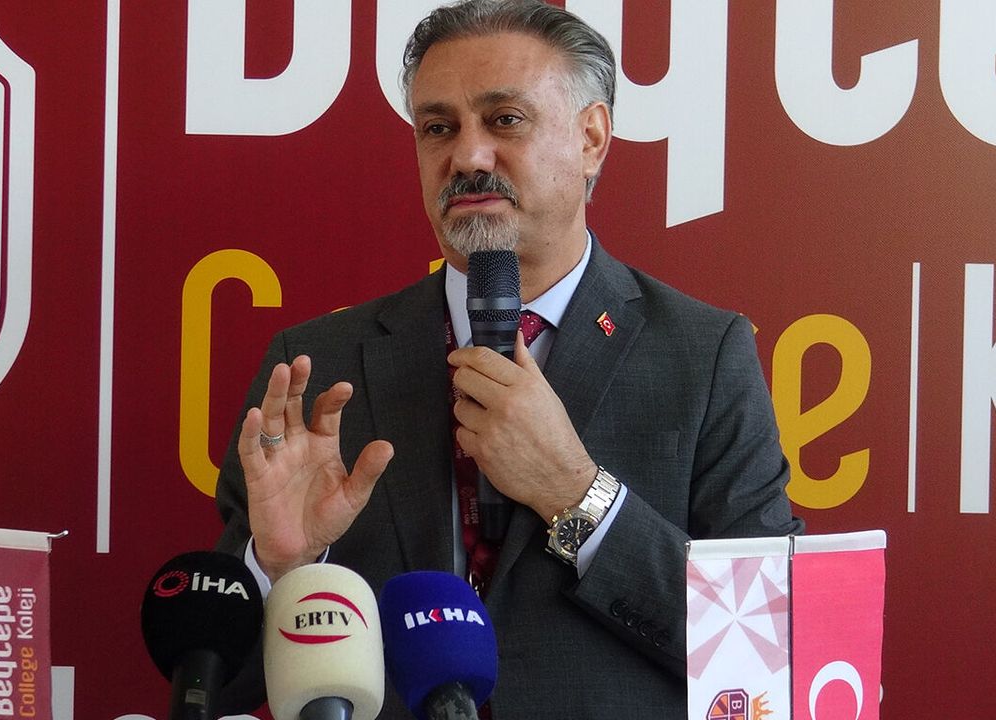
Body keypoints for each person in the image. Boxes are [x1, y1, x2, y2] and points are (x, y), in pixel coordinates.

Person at [215, 1, 803, 716]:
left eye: (505, 120)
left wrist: (576, 495)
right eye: (438, 128)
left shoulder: (704, 356)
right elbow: (222, 682)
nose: (467, 157)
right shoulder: (316, 367)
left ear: (591, 139)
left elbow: (774, 652)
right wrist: (281, 567)